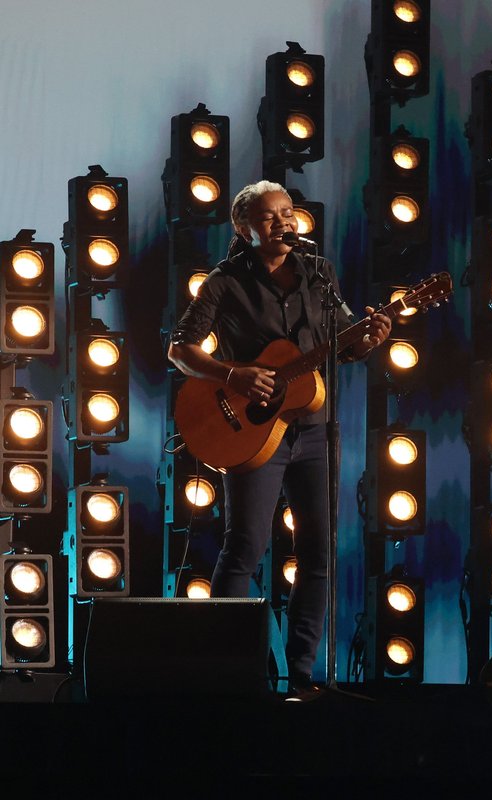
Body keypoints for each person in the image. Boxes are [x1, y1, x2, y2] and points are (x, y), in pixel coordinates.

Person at [168, 180, 391, 700]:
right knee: (245, 546)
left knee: (318, 553)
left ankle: (302, 677)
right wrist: (232, 375)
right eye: (268, 217)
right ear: (242, 228)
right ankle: (229, 672)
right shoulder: (224, 283)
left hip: (314, 430)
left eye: (288, 213)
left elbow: (340, 345)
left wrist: (368, 339)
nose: (282, 223)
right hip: (249, 434)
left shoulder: (318, 272)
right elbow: (179, 350)